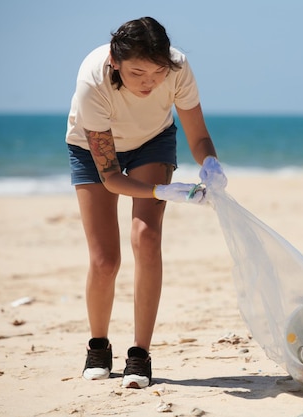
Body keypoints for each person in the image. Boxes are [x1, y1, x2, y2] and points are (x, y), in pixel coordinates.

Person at [65, 16, 227, 389]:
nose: (149, 83)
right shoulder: (93, 80)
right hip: (92, 149)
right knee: (106, 259)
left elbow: (198, 135)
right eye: (137, 73)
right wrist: (159, 191)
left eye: (156, 73)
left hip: (152, 141)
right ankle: (98, 345)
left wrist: (212, 165)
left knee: (147, 239)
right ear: (115, 61)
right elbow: (111, 179)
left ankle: (140, 354)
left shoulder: (178, 67)